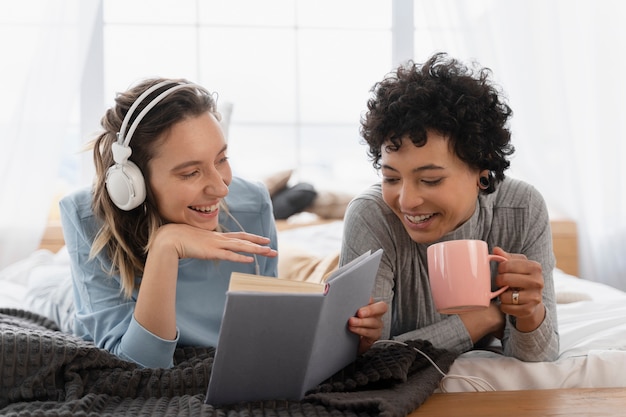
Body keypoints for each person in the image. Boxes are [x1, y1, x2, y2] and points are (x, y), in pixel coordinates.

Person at [59, 78, 387, 368]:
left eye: (222, 159)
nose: (221, 188)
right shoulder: (85, 218)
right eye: (190, 172)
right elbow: (138, 364)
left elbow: (264, 327)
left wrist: (346, 341)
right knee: (47, 285)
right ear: (132, 182)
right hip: (67, 302)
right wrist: (165, 247)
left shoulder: (252, 201)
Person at [340, 53, 559, 362]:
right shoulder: (373, 216)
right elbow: (372, 361)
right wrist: (483, 320)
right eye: (391, 177)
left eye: (430, 180)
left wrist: (530, 315)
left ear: (482, 176)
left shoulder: (522, 208)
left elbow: (540, 357)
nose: (406, 201)